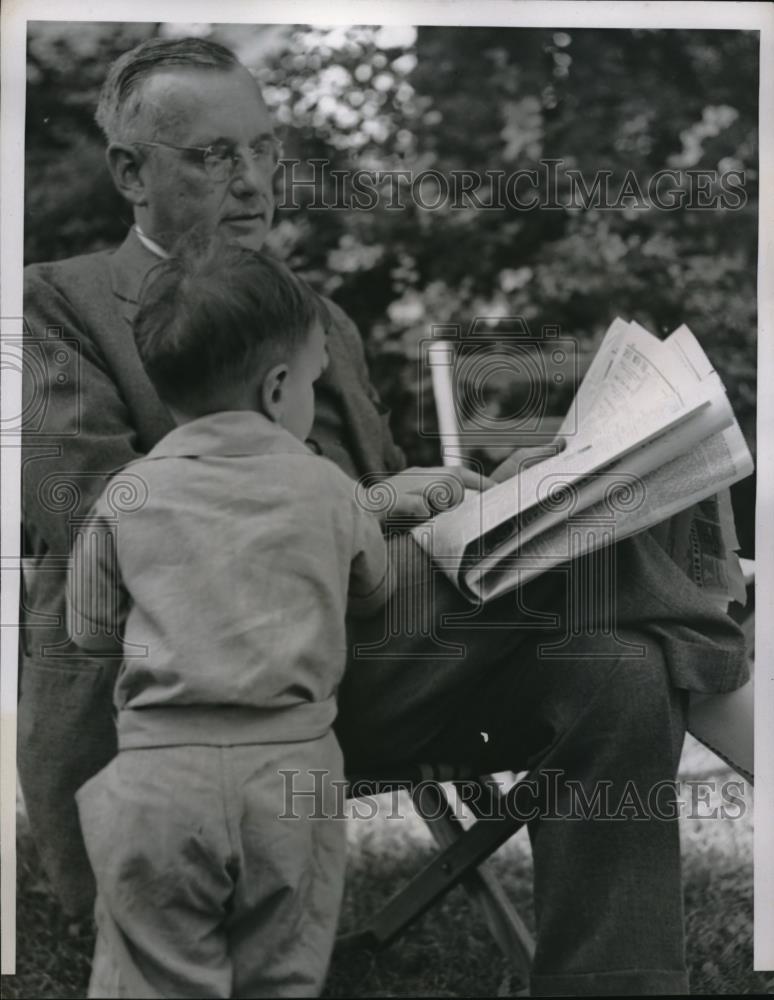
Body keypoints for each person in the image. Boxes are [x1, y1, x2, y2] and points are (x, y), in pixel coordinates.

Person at [20, 35, 748, 996]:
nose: (255, 182)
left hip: (369, 661)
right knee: (610, 569)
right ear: (130, 171)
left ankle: (619, 983)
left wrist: (496, 494)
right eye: (214, 156)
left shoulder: (318, 317)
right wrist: (365, 508)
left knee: (615, 656)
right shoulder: (58, 307)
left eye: (267, 149)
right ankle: (742, 686)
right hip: (208, 691)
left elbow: (393, 505)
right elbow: (94, 526)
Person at [68, 240, 390, 997]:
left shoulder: (128, 493)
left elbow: (86, 631)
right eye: (315, 380)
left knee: (151, 977)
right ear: (278, 389)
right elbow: (374, 592)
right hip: (291, 782)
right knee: (279, 976)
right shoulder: (328, 487)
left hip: (158, 781)